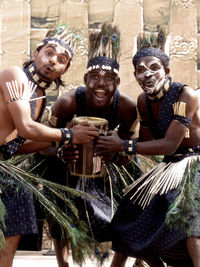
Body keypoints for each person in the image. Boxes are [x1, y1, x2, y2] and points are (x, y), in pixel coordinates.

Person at [96, 32, 200, 267]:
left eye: (154, 67)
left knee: (188, 210)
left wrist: (123, 144)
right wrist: (115, 150)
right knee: (130, 211)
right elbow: (146, 144)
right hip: (169, 165)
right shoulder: (143, 102)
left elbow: (169, 144)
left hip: (195, 162)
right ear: (135, 76)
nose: (148, 73)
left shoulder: (186, 95)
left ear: (166, 70)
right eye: (141, 70)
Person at [40, 23, 139, 267]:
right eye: (94, 77)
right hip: (68, 160)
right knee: (59, 203)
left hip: (108, 162)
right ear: (85, 79)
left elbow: (132, 148)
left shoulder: (126, 107)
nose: (101, 84)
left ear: (117, 81)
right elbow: (43, 144)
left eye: (109, 79)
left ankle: (119, 262)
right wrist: (63, 152)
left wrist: (116, 153)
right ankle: (63, 263)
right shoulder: (68, 102)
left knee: (133, 200)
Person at [0, 26, 98, 267]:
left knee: (16, 213)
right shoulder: (14, 75)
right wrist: (68, 134)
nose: (53, 61)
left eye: (62, 60)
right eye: (49, 53)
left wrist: (63, 140)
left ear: (64, 70)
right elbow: (25, 127)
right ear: (36, 53)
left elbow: (18, 144)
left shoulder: (40, 98)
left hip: (3, 165)